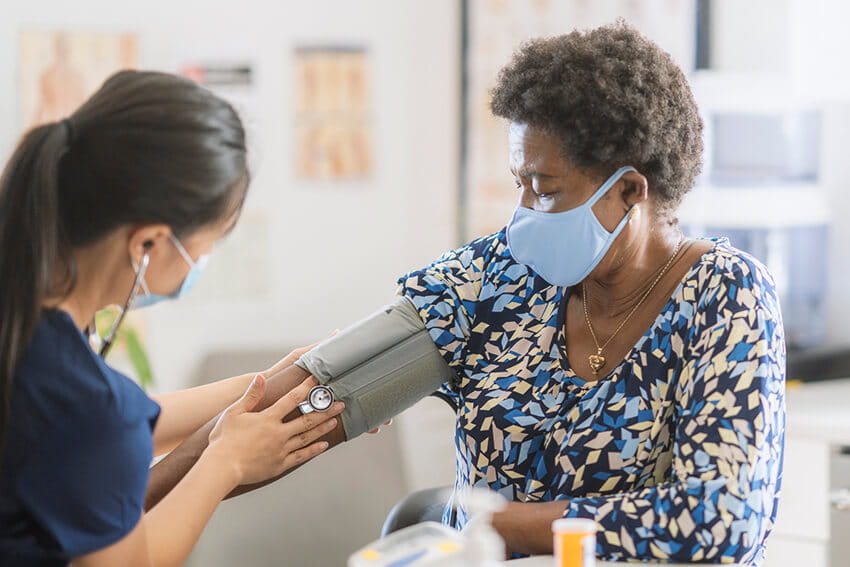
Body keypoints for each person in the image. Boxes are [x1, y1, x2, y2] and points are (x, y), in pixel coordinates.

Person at [146, 22, 786, 566]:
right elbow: (319, 389)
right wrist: (123, 506)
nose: (524, 211)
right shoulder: (495, 277)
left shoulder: (725, 297)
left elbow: (720, 518)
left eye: (547, 188)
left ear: (629, 191)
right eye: (520, 183)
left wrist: (487, 523)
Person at [0, 70, 343, 567]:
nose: (199, 266)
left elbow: (118, 424)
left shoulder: (29, 325)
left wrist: (268, 382)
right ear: (147, 244)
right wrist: (226, 463)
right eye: (204, 248)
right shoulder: (86, 403)